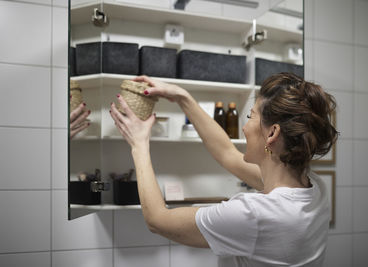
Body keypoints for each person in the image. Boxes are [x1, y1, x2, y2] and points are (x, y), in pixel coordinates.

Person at [109, 72, 338, 266]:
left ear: (272, 133)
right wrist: (183, 97)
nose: (245, 126)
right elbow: (227, 153)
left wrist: (138, 144)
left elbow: (157, 220)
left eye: (251, 116)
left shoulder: (255, 215)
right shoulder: (314, 188)